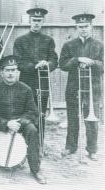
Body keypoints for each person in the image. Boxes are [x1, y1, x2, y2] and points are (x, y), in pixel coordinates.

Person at [0, 55, 46, 184]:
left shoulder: (26, 89)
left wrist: (19, 122)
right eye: (7, 70)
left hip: (21, 123)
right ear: (1, 72)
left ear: (17, 71)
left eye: (13, 70)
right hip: (2, 123)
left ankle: (35, 169)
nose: (10, 73)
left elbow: (33, 112)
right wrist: (6, 123)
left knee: (32, 130)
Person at [59, 13, 103, 161]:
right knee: (72, 118)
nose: (83, 29)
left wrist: (92, 62)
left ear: (91, 27)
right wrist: (77, 59)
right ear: (76, 27)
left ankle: (92, 150)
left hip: (93, 88)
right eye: (80, 27)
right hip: (73, 87)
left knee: (92, 119)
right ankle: (70, 147)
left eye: (86, 26)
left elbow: (103, 65)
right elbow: (62, 65)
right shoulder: (69, 45)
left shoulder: (99, 45)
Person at [13, 8, 58, 149]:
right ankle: (22, 144)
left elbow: (54, 60)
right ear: (29, 21)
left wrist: (47, 64)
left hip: (43, 82)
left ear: (42, 21)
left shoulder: (49, 40)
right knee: (24, 112)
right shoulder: (20, 40)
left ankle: (38, 144)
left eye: (39, 21)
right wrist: (35, 66)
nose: (36, 23)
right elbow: (18, 62)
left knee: (41, 113)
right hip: (26, 82)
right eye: (34, 20)